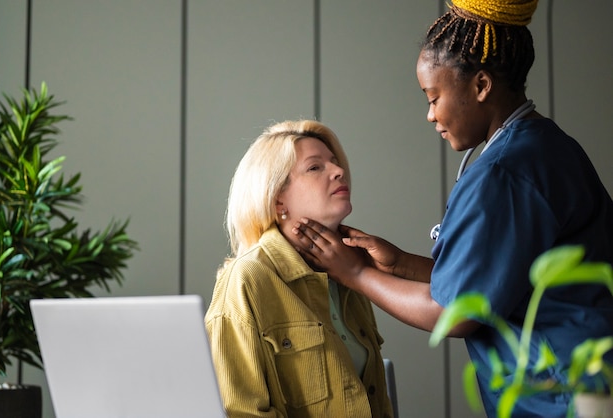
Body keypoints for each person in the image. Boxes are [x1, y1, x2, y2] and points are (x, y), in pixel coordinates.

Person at [289, 1, 613, 417]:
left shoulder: (504, 172)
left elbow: (457, 315)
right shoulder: (545, 145)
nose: (430, 115)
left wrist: (355, 274)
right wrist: (400, 263)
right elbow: (501, 283)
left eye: (434, 97)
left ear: (480, 86)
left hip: (563, 397)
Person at [204, 120, 393, 418]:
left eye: (334, 162)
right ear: (278, 197)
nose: (339, 171)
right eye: (315, 167)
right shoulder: (247, 279)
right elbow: (240, 412)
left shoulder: (349, 276)